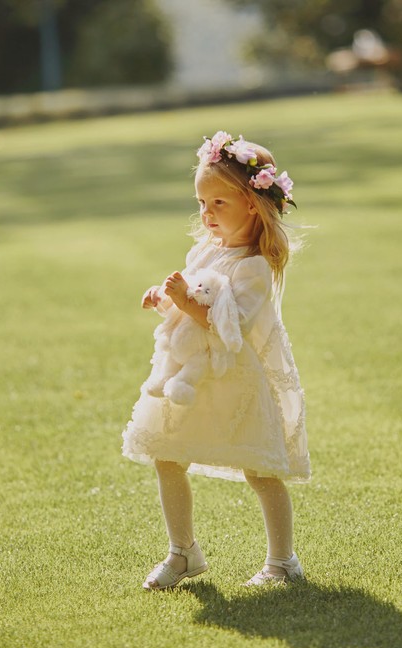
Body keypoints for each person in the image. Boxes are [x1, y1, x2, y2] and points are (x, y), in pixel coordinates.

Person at [122, 131, 311, 590]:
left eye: (218, 204)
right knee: (167, 456)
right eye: (201, 203)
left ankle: (283, 562)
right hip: (189, 375)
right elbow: (193, 291)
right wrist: (164, 299)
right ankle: (182, 551)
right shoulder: (205, 249)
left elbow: (232, 326)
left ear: (251, 203)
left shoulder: (255, 266)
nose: (206, 214)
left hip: (235, 380)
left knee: (260, 469)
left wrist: (184, 303)